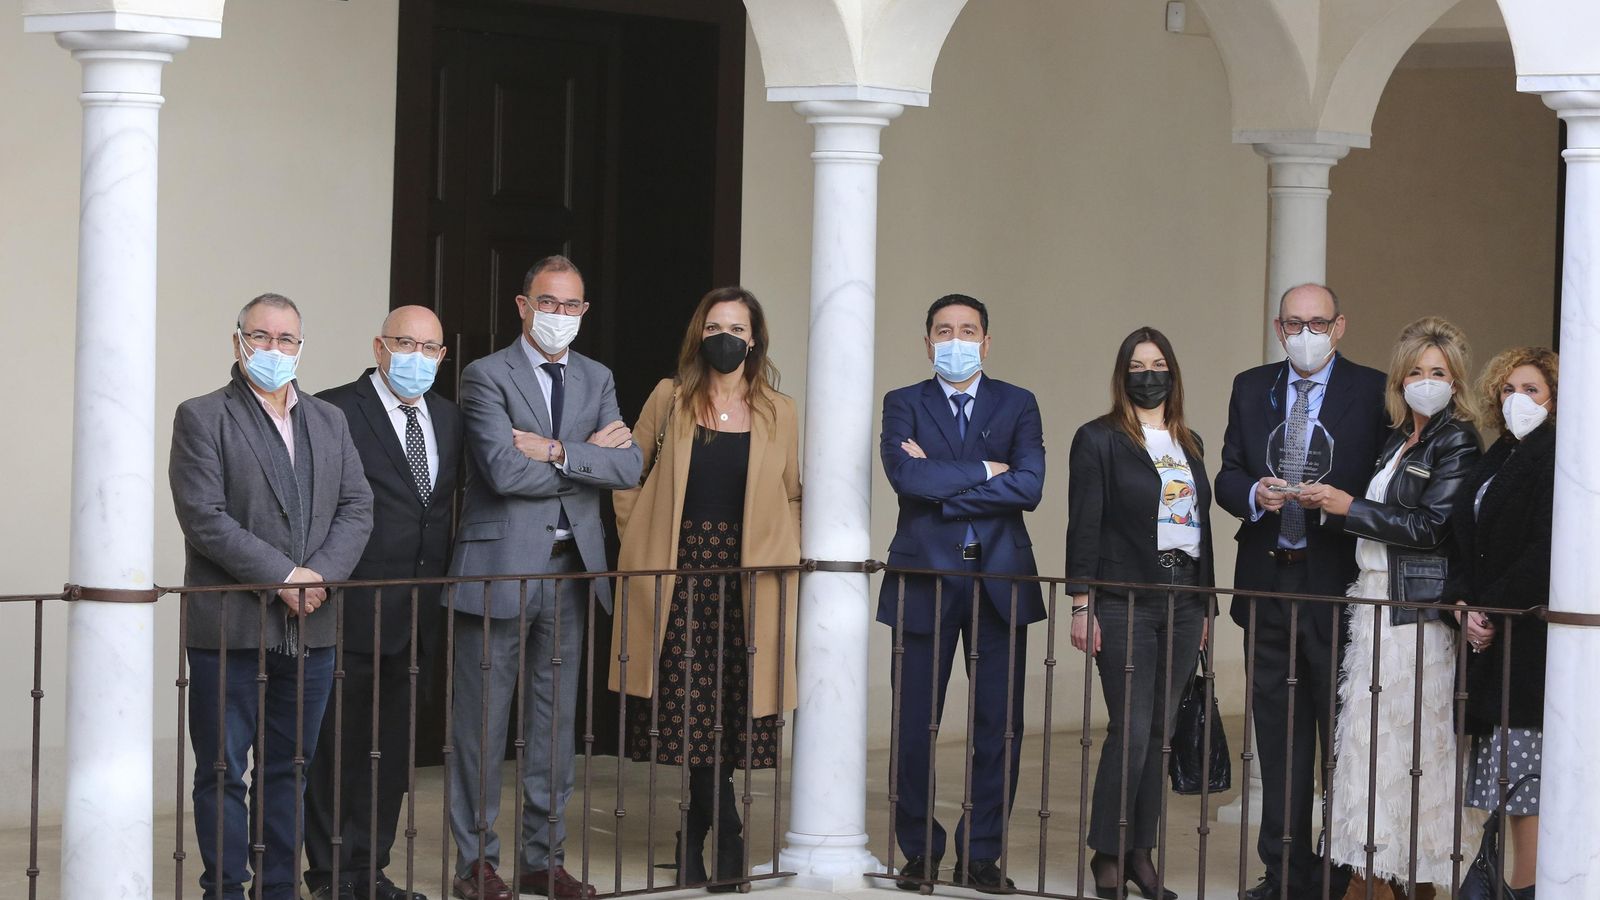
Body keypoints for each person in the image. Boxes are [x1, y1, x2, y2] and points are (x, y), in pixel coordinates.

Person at [446, 256, 643, 900]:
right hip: (498, 570)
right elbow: (502, 471)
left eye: (572, 305)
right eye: (548, 303)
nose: (560, 315)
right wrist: (588, 459)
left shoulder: (597, 376)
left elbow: (629, 467)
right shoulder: (485, 375)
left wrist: (554, 449)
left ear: (584, 311)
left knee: (555, 727)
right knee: (481, 725)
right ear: (523, 305)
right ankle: (476, 864)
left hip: (570, 573)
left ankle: (542, 860)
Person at [169, 293, 375, 900]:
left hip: (313, 628)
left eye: (286, 339)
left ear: (300, 347)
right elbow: (204, 517)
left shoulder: (329, 420)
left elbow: (357, 507)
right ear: (238, 342)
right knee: (222, 772)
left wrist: (318, 577)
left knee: (290, 770)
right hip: (230, 630)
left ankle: (278, 888)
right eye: (261, 336)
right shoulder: (202, 416)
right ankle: (225, 889)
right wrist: (284, 576)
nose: (273, 349)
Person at [609, 287, 801, 891]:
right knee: (689, 705)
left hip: (748, 578)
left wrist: (783, 546)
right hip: (679, 573)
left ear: (754, 339)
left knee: (732, 703)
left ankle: (697, 830)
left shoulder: (780, 410)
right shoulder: (669, 397)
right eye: (715, 327)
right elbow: (626, 471)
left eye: (737, 329)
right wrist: (637, 537)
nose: (726, 338)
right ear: (700, 334)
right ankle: (724, 831)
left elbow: (793, 492)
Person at [1294, 317, 1482, 897]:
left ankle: (1408, 877)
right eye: (1416, 372)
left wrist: (1349, 507)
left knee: (1408, 746)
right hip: (1373, 602)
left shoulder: (1457, 441)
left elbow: (1430, 527)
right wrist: (1327, 504)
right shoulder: (1399, 440)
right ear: (1400, 381)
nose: (1426, 382)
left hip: (1414, 613)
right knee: (1370, 746)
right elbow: (1382, 519)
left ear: (1456, 382)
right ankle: (1372, 873)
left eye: (1438, 373)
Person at [1214, 283, 1388, 900]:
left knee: (1340, 736)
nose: (1305, 334)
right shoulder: (1249, 386)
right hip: (1268, 581)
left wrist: (1342, 504)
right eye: (1294, 324)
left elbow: (1386, 486)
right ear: (1278, 328)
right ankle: (1283, 868)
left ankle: (1339, 869)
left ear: (1339, 326)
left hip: (1336, 583)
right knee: (1277, 733)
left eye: (1317, 323)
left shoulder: (1374, 390)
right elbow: (1227, 474)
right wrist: (1252, 494)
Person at [878, 294, 1046, 893]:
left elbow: (1030, 486)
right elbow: (905, 476)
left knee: (999, 727)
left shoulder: (1018, 403)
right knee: (914, 725)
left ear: (986, 342)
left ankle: (981, 855)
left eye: (968, 331)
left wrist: (944, 486)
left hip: (999, 580)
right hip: (922, 579)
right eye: (944, 331)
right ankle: (919, 852)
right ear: (927, 342)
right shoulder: (903, 402)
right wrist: (987, 470)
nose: (956, 340)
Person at [303, 306, 463, 900]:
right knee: (336, 751)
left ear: (442, 356)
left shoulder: (448, 417)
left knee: (390, 755)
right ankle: (329, 877)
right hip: (347, 612)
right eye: (405, 343)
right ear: (379, 346)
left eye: (430, 348)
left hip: (418, 617)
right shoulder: (333, 409)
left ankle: (370, 873)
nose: (417, 358)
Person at [1067, 327, 1214, 900]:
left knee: (1162, 732)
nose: (1148, 375)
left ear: (1172, 373)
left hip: (1185, 599)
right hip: (1124, 598)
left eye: (1157, 365)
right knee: (1130, 727)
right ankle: (1108, 853)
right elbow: (1084, 524)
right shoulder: (1098, 439)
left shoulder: (1189, 441)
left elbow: (1201, 525)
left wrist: (1206, 606)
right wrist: (1082, 603)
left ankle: (1140, 854)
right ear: (1122, 375)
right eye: (1137, 366)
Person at [1443, 346, 1558, 897]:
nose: (1518, 400)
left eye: (1531, 390)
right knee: (1506, 782)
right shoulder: (1500, 453)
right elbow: (1465, 536)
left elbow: (1544, 549)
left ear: (1555, 398)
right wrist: (1462, 604)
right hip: (1490, 635)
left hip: (1529, 639)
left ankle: (1527, 888)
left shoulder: (1557, 455)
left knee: (1525, 783)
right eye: (1509, 390)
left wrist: (1489, 606)